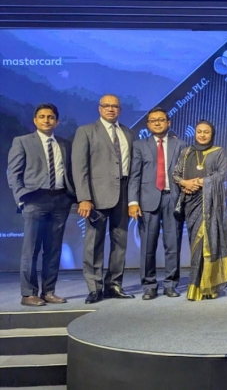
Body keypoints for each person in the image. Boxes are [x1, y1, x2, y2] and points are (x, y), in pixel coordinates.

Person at [7, 103, 76, 306]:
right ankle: (28, 293)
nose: (47, 120)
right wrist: (22, 198)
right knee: (31, 249)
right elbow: (14, 174)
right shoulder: (22, 142)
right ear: (35, 120)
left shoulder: (65, 144)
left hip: (60, 200)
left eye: (51, 117)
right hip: (34, 200)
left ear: (57, 122)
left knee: (53, 249)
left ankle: (49, 291)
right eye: (42, 117)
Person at [72, 94, 136, 303]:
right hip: (96, 196)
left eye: (114, 106)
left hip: (123, 193)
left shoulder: (128, 133)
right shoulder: (86, 131)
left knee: (120, 242)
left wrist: (133, 198)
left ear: (120, 110)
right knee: (94, 243)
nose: (110, 109)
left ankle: (114, 285)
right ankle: (95, 288)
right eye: (106, 106)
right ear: (99, 109)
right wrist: (84, 197)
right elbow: (79, 168)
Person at [128, 107, 187, 300]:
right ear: (148, 125)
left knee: (173, 244)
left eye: (161, 120)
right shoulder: (139, 146)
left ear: (168, 122)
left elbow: (185, 173)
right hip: (147, 200)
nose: (157, 123)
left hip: (173, 198)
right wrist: (133, 201)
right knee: (148, 245)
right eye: (153, 120)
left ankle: (171, 284)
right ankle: (149, 285)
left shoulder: (180, 145)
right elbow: (135, 175)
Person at [173, 120, 227, 301]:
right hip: (191, 203)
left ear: (212, 134)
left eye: (206, 132)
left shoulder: (218, 152)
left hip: (210, 204)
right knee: (195, 244)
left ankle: (208, 286)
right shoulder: (186, 152)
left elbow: (222, 175)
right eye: (199, 131)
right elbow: (176, 175)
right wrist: (185, 183)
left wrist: (199, 182)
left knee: (208, 243)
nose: (202, 135)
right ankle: (195, 286)